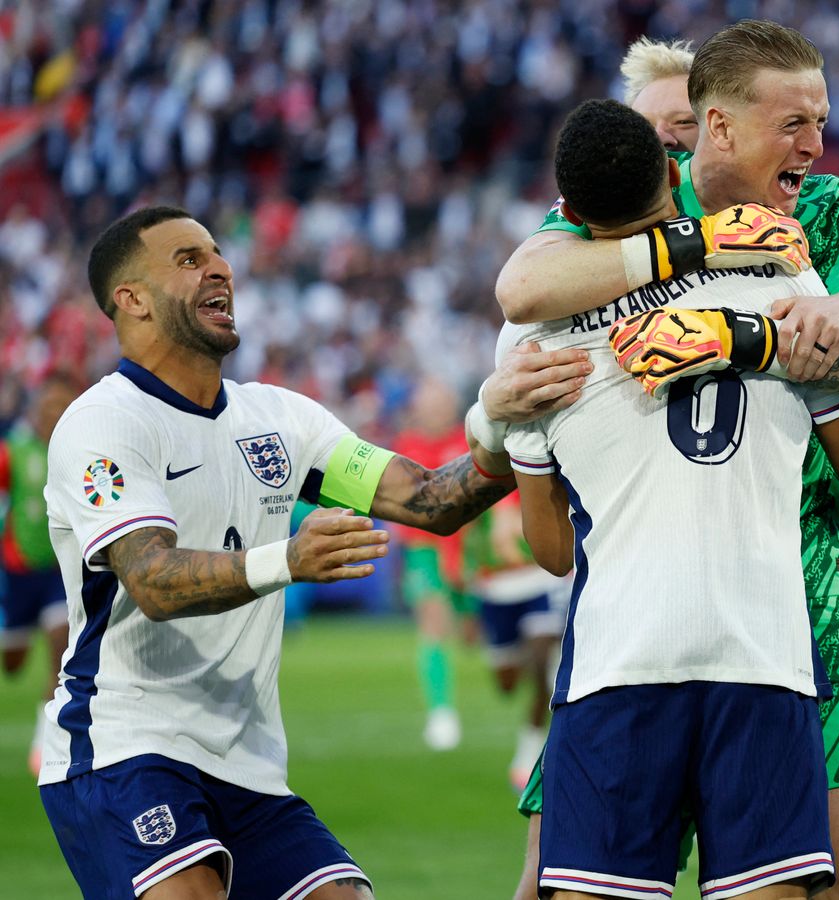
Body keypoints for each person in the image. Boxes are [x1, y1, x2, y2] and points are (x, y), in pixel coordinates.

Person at [490, 25, 839, 900]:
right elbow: (520, 295)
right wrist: (703, 257)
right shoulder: (609, 228)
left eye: (820, 120)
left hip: (798, 581)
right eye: (794, 122)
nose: (813, 143)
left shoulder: (820, 216)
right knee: (553, 877)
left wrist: (767, 330)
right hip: (655, 611)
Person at [37, 206, 587, 900]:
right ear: (132, 300)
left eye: (216, 253)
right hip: (122, 746)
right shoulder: (103, 424)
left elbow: (428, 500)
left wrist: (500, 417)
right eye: (188, 259)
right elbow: (152, 578)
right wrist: (288, 561)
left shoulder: (278, 419)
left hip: (249, 762)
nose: (219, 267)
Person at [1, 373, 79, 776]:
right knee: (11, 663)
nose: (54, 414)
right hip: (18, 571)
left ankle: (44, 742)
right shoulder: (13, 452)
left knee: (58, 648)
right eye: (48, 406)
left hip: (57, 571)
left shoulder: (79, 451)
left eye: (61, 406)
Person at [391, 377, 475, 751]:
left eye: (440, 402)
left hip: (473, 551)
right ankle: (441, 714)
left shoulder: (468, 440)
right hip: (426, 551)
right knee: (434, 623)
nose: (434, 409)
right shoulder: (406, 448)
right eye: (428, 403)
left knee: (478, 636)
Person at [464, 494, 569, 791]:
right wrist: (465, 606)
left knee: (543, 666)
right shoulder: (484, 472)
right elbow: (464, 533)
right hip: (495, 589)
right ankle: (527, 654)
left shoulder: (541, 464)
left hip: (540, 579)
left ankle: (528, 754)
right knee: (507, 684)